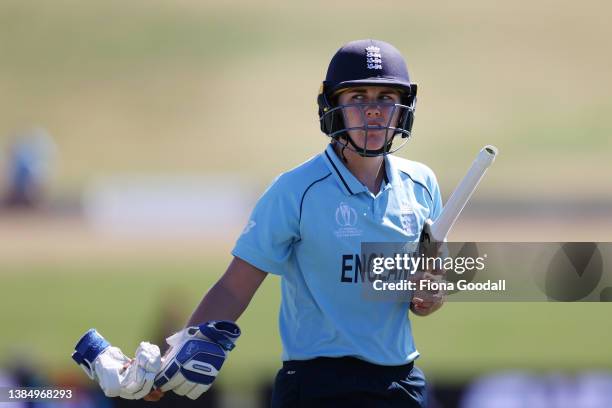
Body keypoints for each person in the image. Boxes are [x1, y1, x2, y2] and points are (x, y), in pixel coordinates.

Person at [148, 38, 445, 407]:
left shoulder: (423, 185)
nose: (373, 111)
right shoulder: (296, 190)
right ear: (332, 107)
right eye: (357, 98)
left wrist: (432, 296)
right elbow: (234, 287)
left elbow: (426, 283)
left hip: (400, 382)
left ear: (403, 109)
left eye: (385, 97)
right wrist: (174, 355)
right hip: (316, 384)